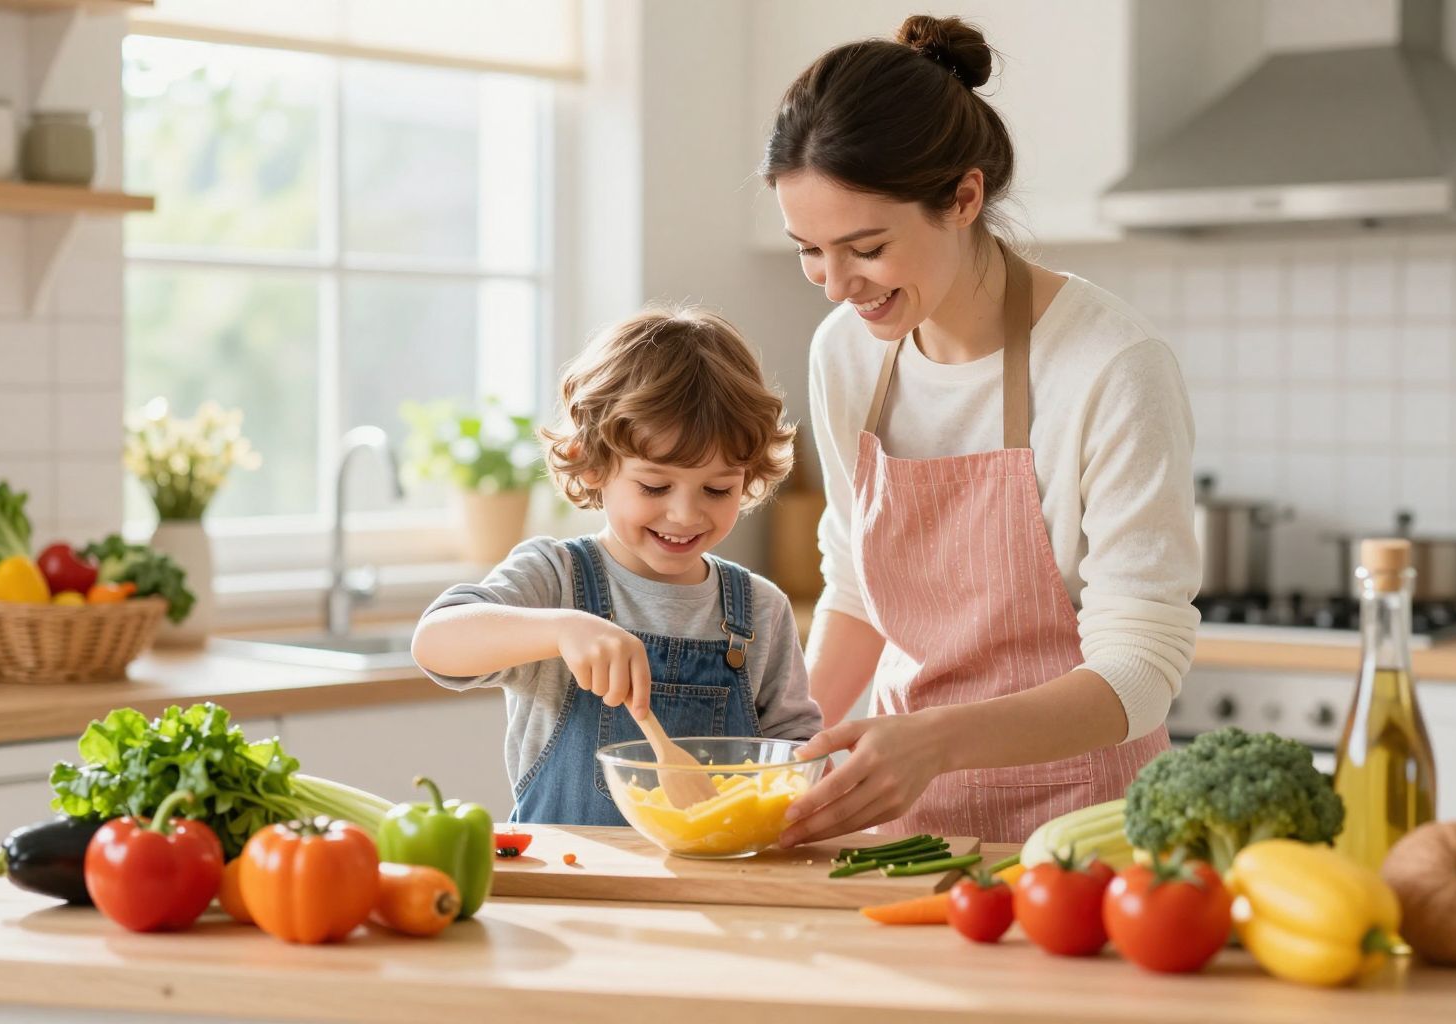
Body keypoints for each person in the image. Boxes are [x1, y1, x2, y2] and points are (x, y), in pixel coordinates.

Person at [763, 14, 1202, 846]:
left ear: (964, 198)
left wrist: (935, 744)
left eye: (863, 247)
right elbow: (856, 587)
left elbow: (1139, 670)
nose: (834, 286)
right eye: (808, 250)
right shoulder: (848, 352)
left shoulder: (1110, 365)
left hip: (1083, 836)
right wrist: (784, 755)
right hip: (904, 827)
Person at [411, 306, 823, 826]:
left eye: (718, 489)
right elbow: (436, 643)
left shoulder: (759, 609)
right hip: (571, 881)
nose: (685, 513)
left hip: (711, 886)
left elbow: (797, 753)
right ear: (593, 464)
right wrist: (562, 628)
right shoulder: (555, 578)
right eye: (654, 486)